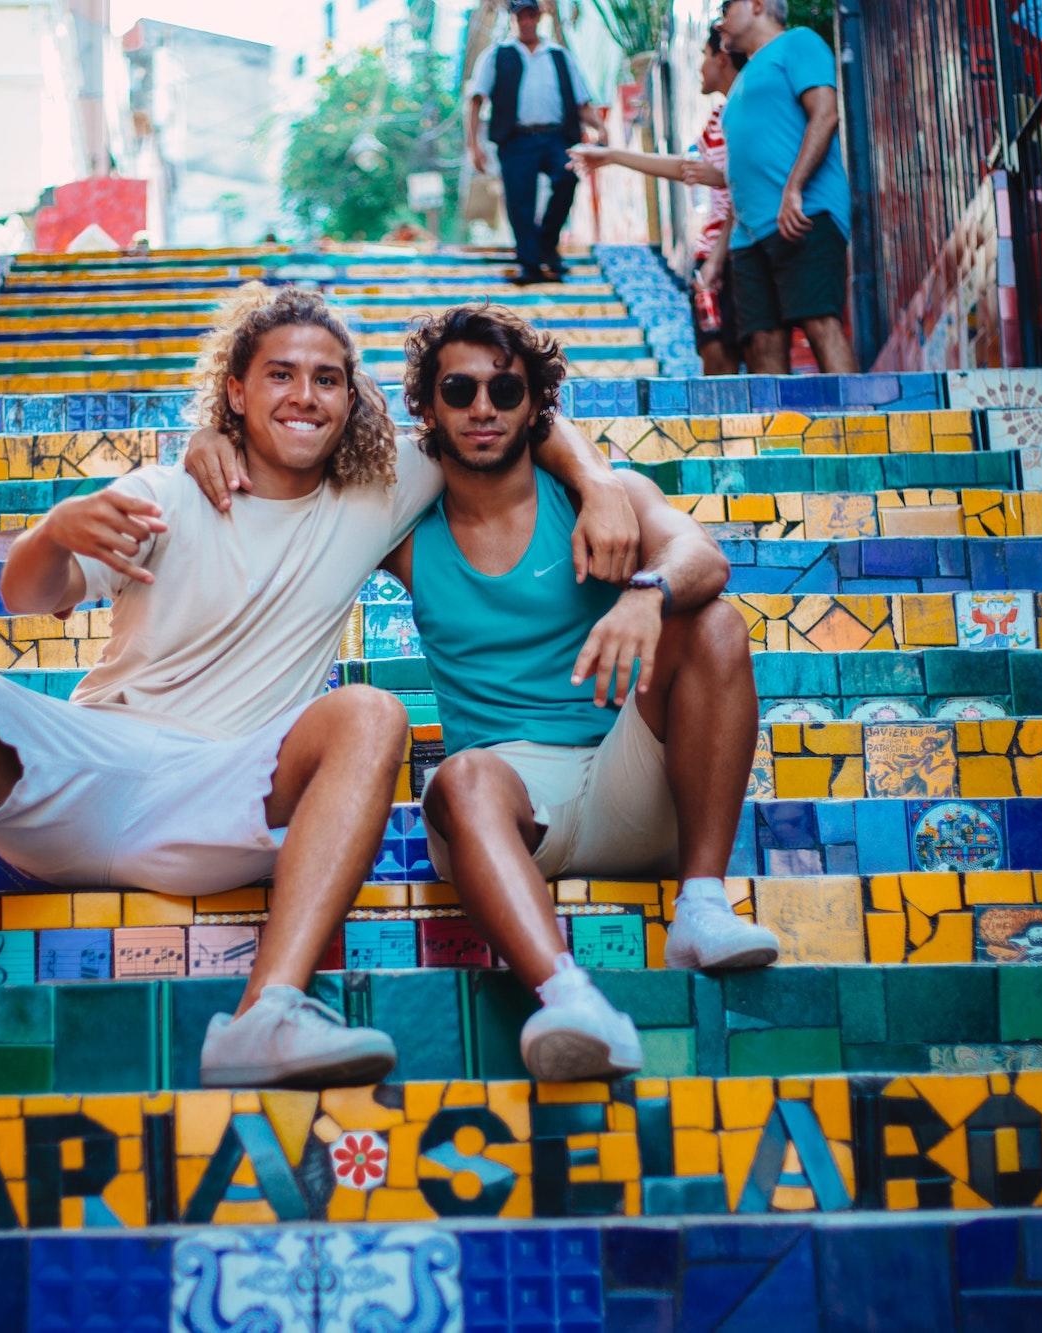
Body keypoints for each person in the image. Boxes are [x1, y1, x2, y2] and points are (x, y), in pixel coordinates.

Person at [0, 284, 636, 1099]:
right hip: (93, 762)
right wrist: (53, 527)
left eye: (328, 379)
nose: (304, 396)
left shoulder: (378, 490)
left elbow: (512, 410)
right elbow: (26, 594)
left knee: (370, 710)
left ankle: (270, 1010)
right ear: (235, 391)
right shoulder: (166, 493)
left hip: (228, 794)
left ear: (351, 398)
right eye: (280, 375)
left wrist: (600, 484)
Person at [384, 305, 777, 1082]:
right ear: (426, 407)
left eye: (506, 389)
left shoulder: (604, 497)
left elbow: (702, 554)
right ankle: (571, 999)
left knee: (717, 625)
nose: (483, 409)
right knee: (457, 776)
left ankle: (701, 902)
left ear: (537, 405)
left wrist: (645, 593)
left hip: (627, 774)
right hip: (505, 807)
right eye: (458, 390)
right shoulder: (403, 529)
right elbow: (302, 463)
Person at [569, 20, 743, 375]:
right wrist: (613, 156)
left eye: (704, 56)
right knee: (713, 353)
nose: (699, 66)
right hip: (715, 252)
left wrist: (716, 258)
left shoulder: (740, 115)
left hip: (730, 252)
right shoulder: (719, 118)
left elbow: (743, 188)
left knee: (728, 354)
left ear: (722, 59)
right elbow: (686, 168)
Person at [714, 0, 858, 374]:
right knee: (762, 343)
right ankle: (778, 433)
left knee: (820, 325)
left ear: (757, 5)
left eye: (725, 9)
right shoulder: (744, 77)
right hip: (748, 237)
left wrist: (793, 188)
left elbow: (825, 114)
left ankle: (861, 429)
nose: (719, 23)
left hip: (803, 212)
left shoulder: (798, 43)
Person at [465, 1, 607, 286]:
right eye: (520, 16)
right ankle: (530, 264)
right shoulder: (496, 55)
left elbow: (581, 101)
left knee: (567, 178)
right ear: (512, 19)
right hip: (515, 139)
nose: (526, 21)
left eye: (531, 15)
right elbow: (476, 100)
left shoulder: (559, 56)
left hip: (556, 136)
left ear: (539, 17)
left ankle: (546, 245)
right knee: (520, 202)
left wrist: (601, 129)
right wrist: (474, 146)